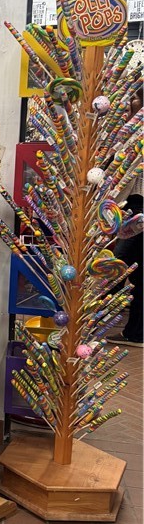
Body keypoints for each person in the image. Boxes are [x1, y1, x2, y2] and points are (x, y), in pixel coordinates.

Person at [110, 84, 143, 346]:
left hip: (137, 209)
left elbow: (128, 173)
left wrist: (111, 199)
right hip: (135, 207)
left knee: (114, 267)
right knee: (137, 273)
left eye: (133, 99)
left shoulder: (137, 132)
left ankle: (87, 324)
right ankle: (135, 332)